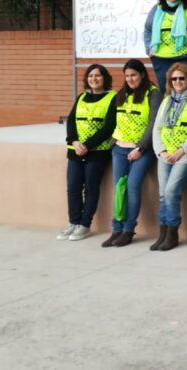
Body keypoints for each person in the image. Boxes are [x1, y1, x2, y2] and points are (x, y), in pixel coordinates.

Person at [101, 59, 160, 248]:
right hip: (119, 148)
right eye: (127, 76)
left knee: (133, 187)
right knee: (119, 189)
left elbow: (153, 124)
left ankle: (128, 229)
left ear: (142, 74)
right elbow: (113, 120)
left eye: (133, 75)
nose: (130, 79)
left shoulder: (153, 94)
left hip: (142, 150)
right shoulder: (122, 94)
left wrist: (140, 148)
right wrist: (113, 142)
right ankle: (116, 229)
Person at [150, 62, 187, 252]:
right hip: (166, 154)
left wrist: (181, 151)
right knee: (162, 193)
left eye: (181, 78)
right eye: (173, 79)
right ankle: (163, 232)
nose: (177, 82)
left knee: (171, 192)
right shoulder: (167, 100)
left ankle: (172, 233)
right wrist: (161, 151)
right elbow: (157, 128)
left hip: (186, 154)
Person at [59, 64, 116, 242]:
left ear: (105, 78)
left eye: (98, 76)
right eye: (90, 76)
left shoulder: (112, 98)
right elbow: (71, 122)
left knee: (91, 188)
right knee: (73, 188)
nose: (94, 79)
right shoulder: (82, 97)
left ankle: (84, 225)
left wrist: (88, 145)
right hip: (75, 151)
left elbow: (109, 126)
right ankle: (74, 222)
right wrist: (74, 142)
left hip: (97, 152)